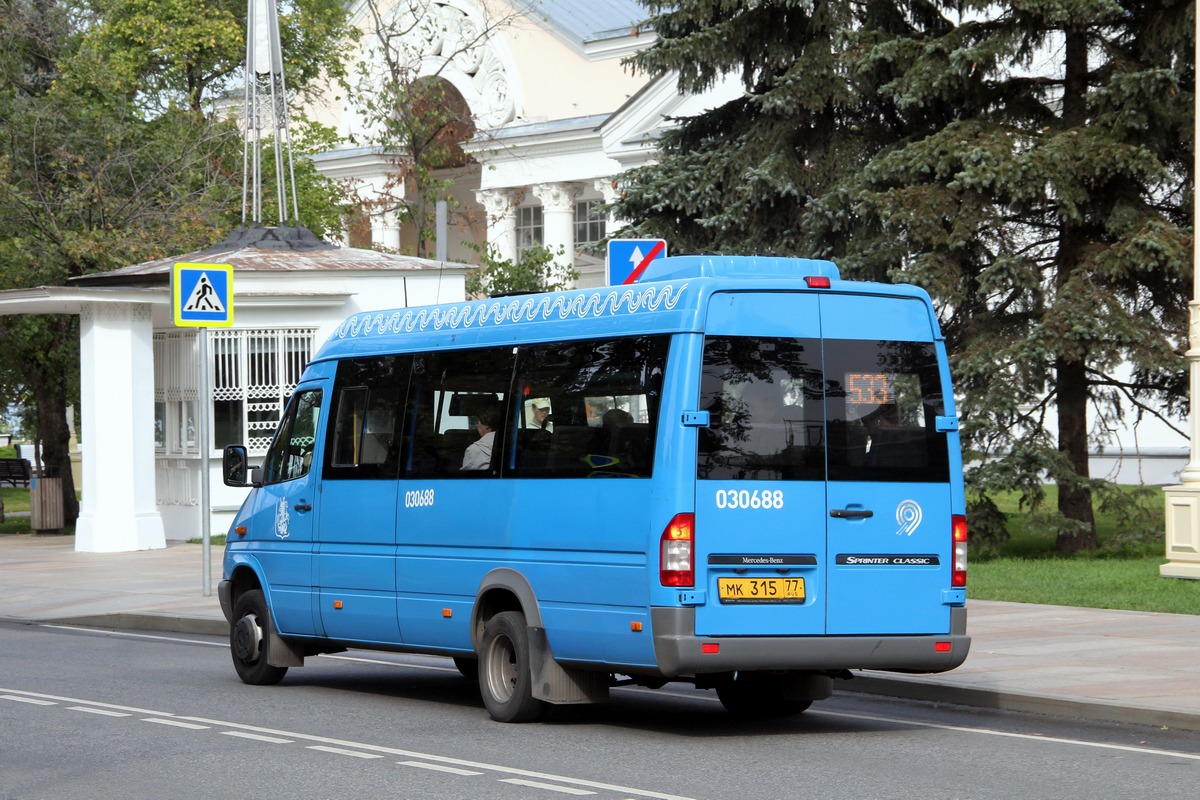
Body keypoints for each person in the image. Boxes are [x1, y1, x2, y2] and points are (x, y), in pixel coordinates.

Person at [462, 405, 503, 471]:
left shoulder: (473, 450)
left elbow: (467, 479)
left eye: (478, 422)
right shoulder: (513, 447)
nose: (477, 425)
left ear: (486, 426)